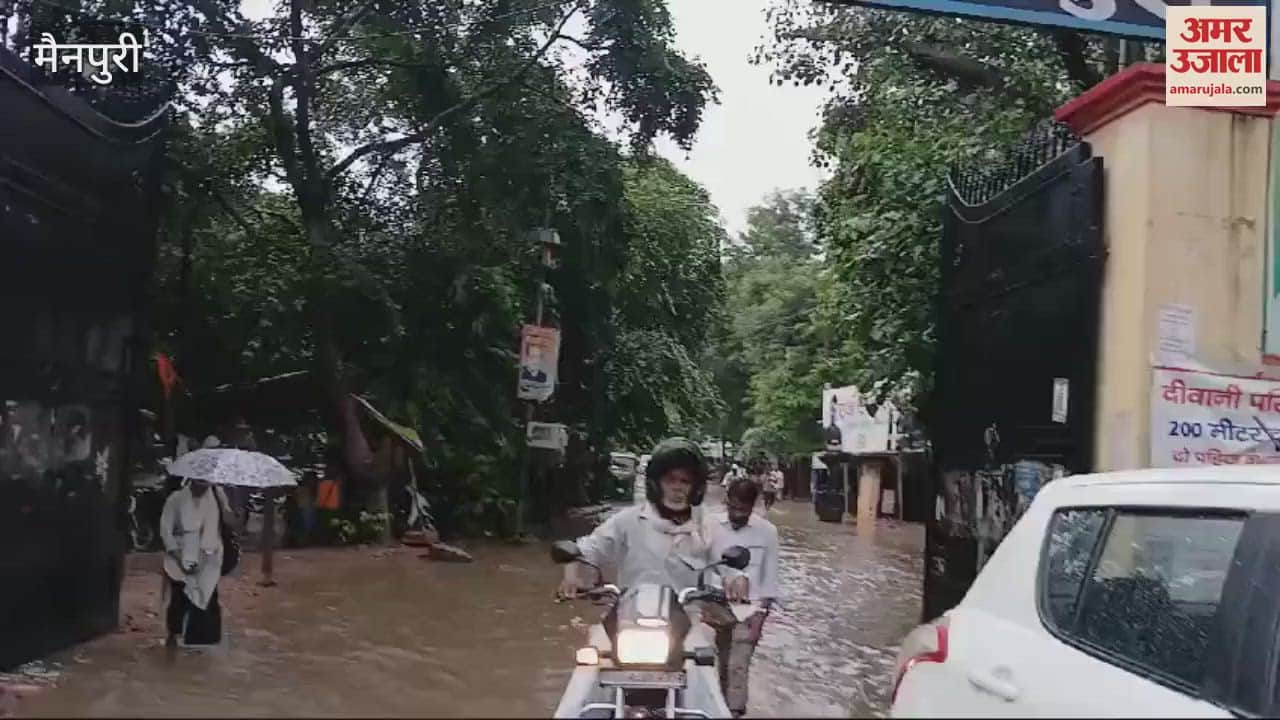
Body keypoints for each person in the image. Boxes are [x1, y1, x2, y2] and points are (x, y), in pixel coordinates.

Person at [557, 438, 750, 641]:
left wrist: (737, 578)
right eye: (670, 480)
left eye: (685, 481)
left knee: (707, 653)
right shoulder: (628, 520)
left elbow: (727, 556)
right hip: (628, 621)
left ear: (696, 488)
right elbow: (587, 549)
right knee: (592, 652)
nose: (677, 488)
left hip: (687, 626)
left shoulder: (707, 525)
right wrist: (572, 574)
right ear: (655, 484)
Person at [710, 479, 781, 718]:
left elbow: (770, 579)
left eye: (743, 509)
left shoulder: (767, 532)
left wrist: (760, 619)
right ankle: (719, 708)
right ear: (726, 501)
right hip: (714, 606)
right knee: (718, 664)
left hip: (749, 611)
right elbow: (697, 564)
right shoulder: (709, 526)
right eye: (733, 507)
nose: (737, 514)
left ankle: (734, 712)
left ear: (753, 506)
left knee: (738, 666)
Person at [160, 478, 226, 647]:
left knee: (206, 597)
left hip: (207, 558)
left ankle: (199, 639)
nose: (204, 488)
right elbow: (166, 531)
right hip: (180, 554)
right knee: (178, 598)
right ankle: (174, 634)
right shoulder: (176, 499)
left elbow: (219, 529)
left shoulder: (215, 499)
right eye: (200, 483)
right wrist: (179, 557)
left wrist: (226, 509)